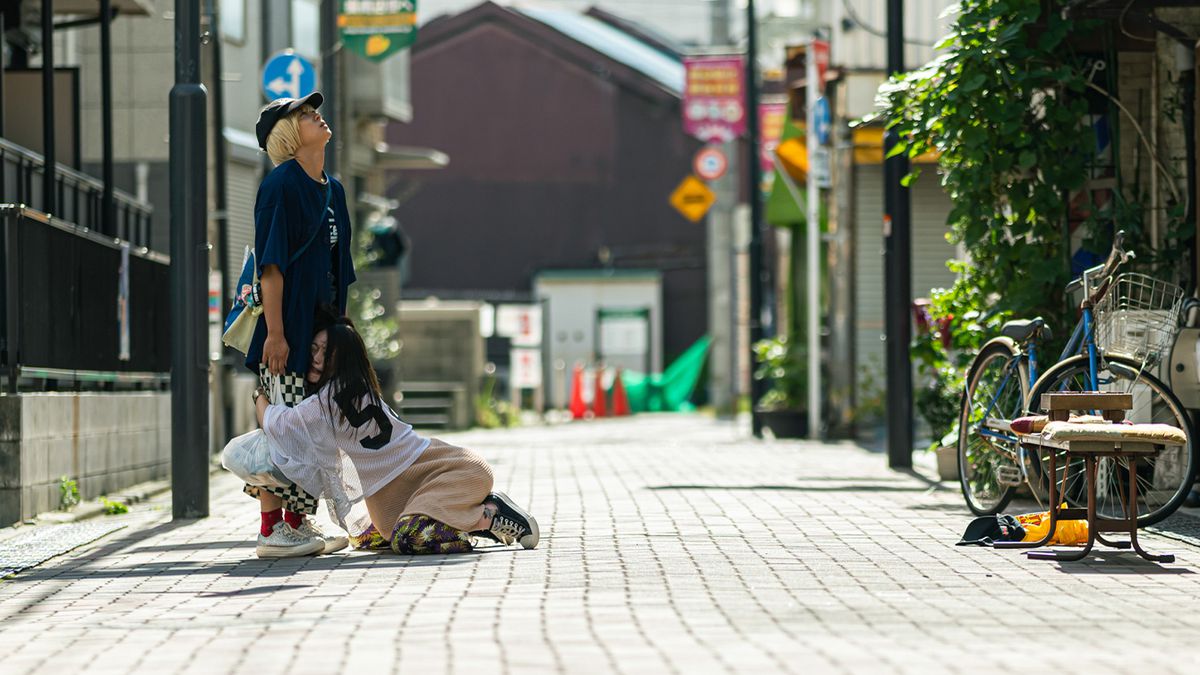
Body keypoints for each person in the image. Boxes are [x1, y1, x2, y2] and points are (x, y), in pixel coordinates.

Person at [252, 317, 540, 554]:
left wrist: (259, 396)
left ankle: (488, 515)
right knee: (368, 538)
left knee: (408, 538)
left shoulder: (328, 399)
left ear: (342, 357)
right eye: (313, 349)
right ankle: (466, 516)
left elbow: (279, 424)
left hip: (453, 471)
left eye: (325, 351)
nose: (315, 358)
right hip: (419, 485)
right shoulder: (354, 389)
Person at [244, 92, 357, 558]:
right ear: (288, 134)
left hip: (322, 332)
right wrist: (275, 333)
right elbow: (271, 267)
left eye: (316, 112)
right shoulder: (279, 186)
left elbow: (340, 268)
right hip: (286, 331)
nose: (318, 117)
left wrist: (341, 338)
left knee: (314, 430)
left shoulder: (334, 190)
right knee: (284, 426)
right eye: (306, 115)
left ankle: (297, 523)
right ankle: (272, 528)